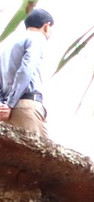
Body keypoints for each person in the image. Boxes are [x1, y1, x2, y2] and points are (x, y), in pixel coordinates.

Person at [0, 9, 55, 137]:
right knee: (39, 156)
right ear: (46, 26)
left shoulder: (7, 45)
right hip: (25, 106)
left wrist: (3, 105)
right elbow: (26, 70)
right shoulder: (37, 38)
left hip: (5, 112)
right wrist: (9, 104)